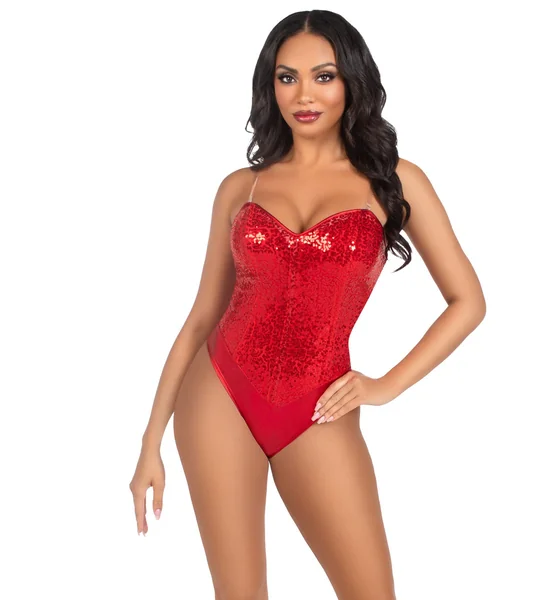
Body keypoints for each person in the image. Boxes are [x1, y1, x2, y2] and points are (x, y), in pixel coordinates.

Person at [129, 9, 486, 600]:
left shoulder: (395, 181)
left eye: (323, 76)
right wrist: (150, 441)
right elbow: (201, 318)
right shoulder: (240, 187)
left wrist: (385, 386)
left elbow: (467, 301)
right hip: (219, 393)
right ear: (269, 86)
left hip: (321, 403)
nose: (304, 95)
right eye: (286, 77)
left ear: (351, 80)